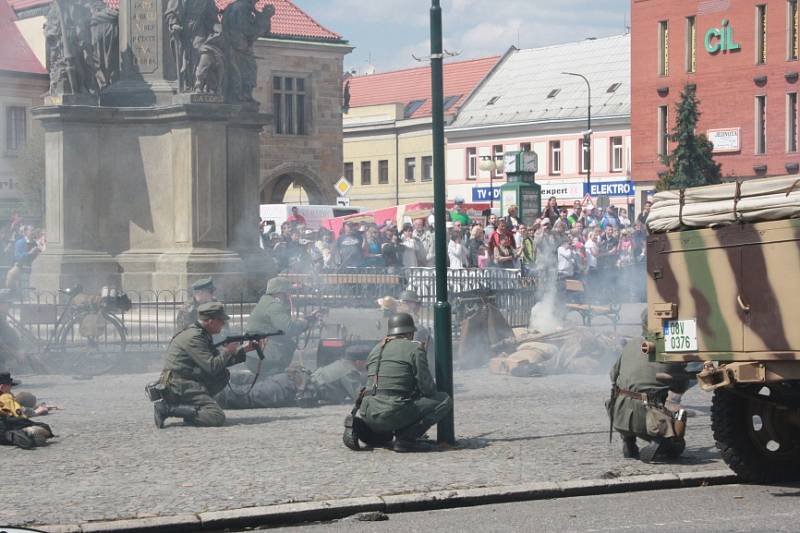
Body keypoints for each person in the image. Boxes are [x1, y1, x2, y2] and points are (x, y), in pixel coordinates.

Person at [354, 313, 452, 452]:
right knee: (444, 400)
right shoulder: (414, 348)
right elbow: (428, 389)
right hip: (392, 413)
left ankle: (378, 433)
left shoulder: (376, 349)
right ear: (410, 333)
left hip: (367, 412)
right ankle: (407, 438)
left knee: (392, 404)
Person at [153, 302, 259, 428]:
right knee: (216, 417)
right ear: (211, 321)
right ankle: (168, 408)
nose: (223, 324)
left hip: (185, 380)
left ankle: (191, 409)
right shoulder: (194, 337)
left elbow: (219, 362)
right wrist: (227, 351)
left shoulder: (201, 333)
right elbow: (212, 366)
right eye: (221, 321)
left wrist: (244, 349)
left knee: (222, 375)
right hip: (179, 384)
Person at [607, 325, 692, 462]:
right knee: (677, 444)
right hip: (647, 419)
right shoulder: (671, 350)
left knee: (626, 394)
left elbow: (613, 375)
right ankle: (661, 442)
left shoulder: (632, 343)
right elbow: (679, 387)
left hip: (619, 415)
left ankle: (628, 441)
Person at [246, 277, 318, 375]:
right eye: (288, 291)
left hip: (254, 355)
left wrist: (307, 320)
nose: (289, 295)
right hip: (267, 357)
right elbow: (289, 329)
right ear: (281, 291)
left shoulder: (266, 302)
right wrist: (304, 323)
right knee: (273, 385)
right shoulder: (274, 305)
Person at [0, 372, 55, 449]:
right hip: (5, 428)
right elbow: (18, 414)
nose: (11, 390)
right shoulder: (6, 397)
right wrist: (36, 412)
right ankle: (27, 433)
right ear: (2, 387)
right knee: (44, 427)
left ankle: (24, 435)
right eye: (9, 387)